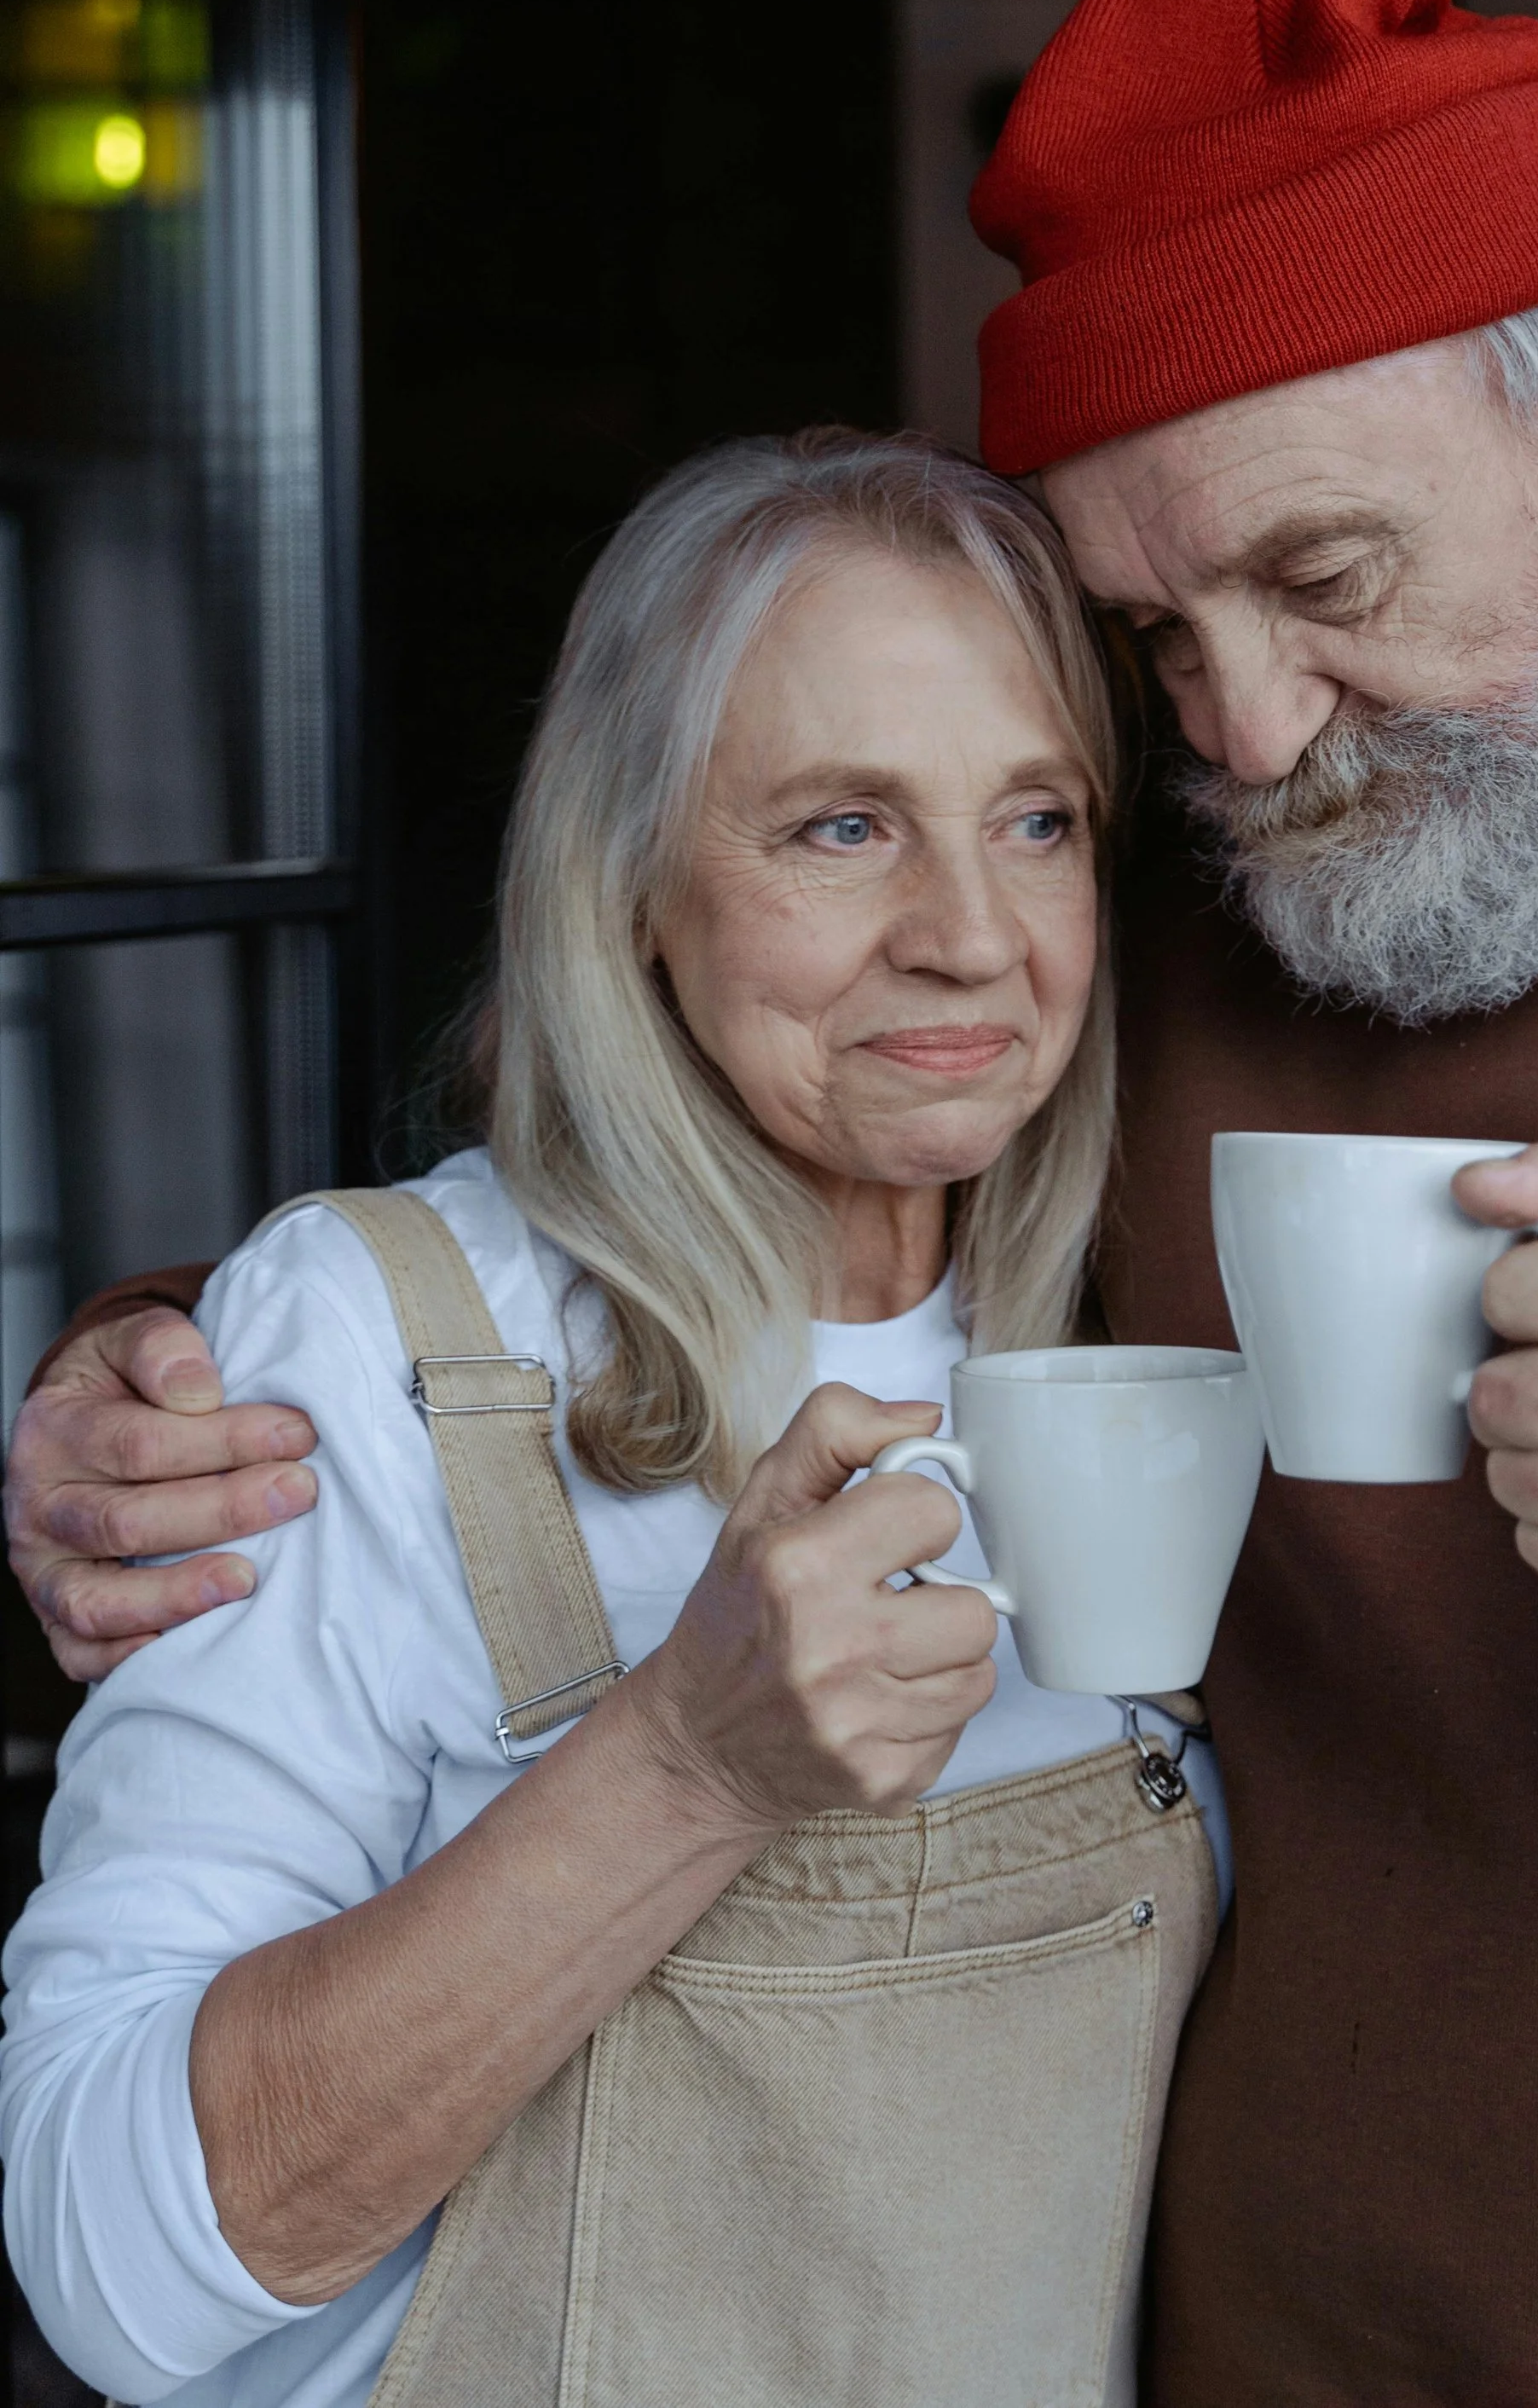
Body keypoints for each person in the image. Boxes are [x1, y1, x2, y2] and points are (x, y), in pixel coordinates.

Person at [15, 0, 1538, 2407]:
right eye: (1149, 644)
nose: (1236, 733)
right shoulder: (1181, 882)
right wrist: (187, 1367)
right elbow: (727, 1111)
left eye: (1319, 575)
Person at [0, 431, 1224, 2408]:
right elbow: (112, 2266)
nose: (969, 938)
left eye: (1033, 819)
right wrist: (682, 1768)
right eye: (840, 828)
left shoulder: (1152, 1325)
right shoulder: (372, 1345)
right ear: (632, 881)